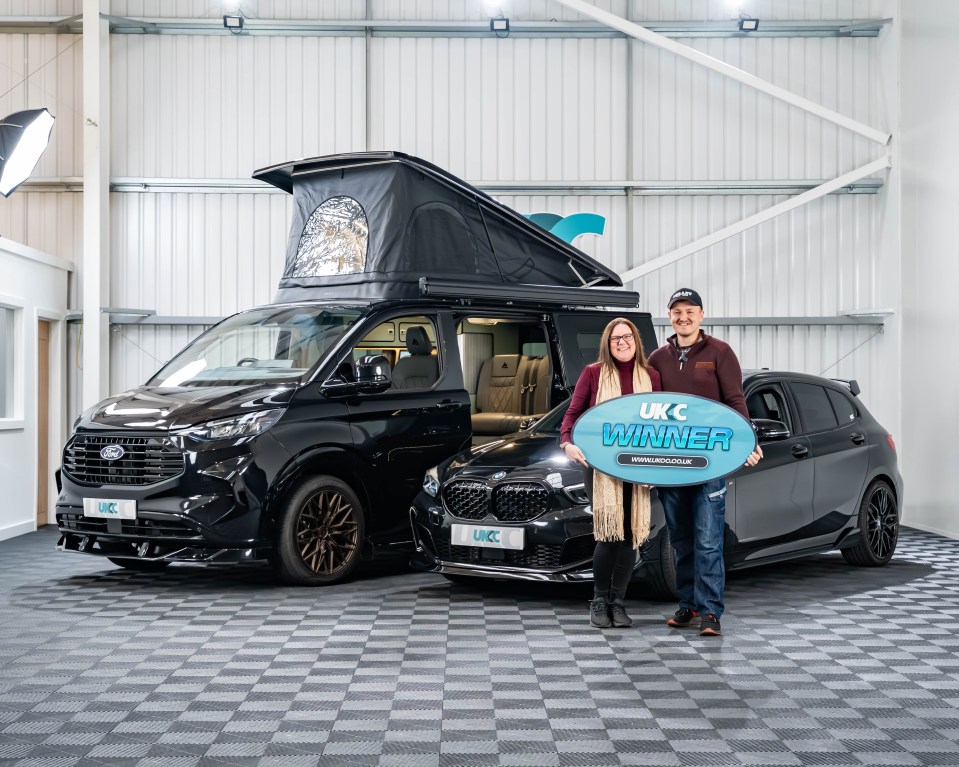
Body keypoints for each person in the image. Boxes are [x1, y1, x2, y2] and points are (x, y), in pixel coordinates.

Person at [647, 288, 763, 637]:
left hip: (709, 465)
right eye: (676, 311)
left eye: (690, 311)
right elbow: (646, 412)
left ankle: (711, 612)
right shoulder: (657, 358)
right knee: (681, 540)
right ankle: (689, 605)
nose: (683, 317)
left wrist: (748, 441)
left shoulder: (720, 353)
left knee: (708, 540)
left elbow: (735, 400)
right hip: (670, 465)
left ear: (701, 314)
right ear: (669, 316)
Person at [560, 318, 662, 629]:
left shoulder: (652, 377)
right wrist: (567, 443)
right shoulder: (593, 374)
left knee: (631, 537)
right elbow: (572, 414)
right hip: (602, 469)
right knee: (609, 534)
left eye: (626, 337)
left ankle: (618, 603)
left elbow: (662, 428)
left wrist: (655, 466)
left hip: (638, 467)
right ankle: (599, 601)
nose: (621, 342)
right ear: (607, 343)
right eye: (615, 338)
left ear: (636, 340)